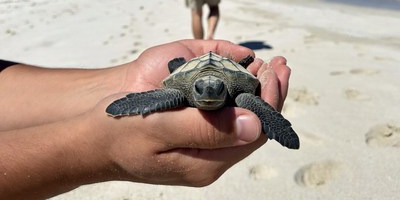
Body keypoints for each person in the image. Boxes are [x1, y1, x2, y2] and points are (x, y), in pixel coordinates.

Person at [0, 39, 292, 200]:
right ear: (195, 88)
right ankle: (183, 67)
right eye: (202, 92)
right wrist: (97, 149)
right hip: (188, 75)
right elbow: (167, 95)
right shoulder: (184, 89)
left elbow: (248, 97)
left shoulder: (237, 91)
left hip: (229, 74)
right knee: (173, 97)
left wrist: (122, 80)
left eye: (214, 93)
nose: (208, 97)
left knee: (248, 102)